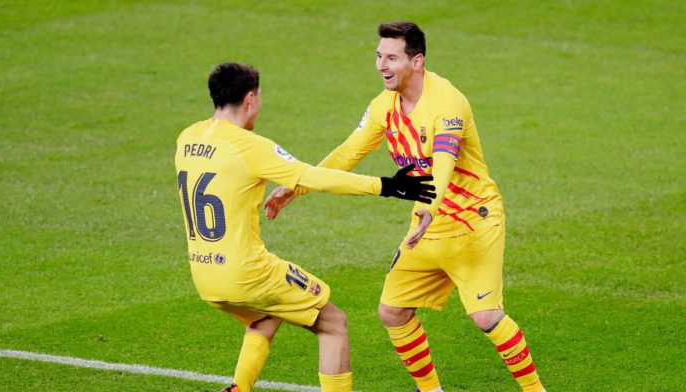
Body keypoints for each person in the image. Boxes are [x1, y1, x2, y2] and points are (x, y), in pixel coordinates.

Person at [264, 21, 545, 392]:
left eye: (392, 58)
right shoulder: (384, 106)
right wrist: (295, 186)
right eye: (379, 56)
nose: (382, 65)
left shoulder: (447, 103)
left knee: (485, 316)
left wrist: (430, 205)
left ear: (417, 61)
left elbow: (443, 160)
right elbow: (349, 152)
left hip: (472, 222)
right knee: (392, 311)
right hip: (425, 226)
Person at [174, 62, 435, 392]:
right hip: (248, 273)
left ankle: (238, 387)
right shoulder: (250, 146)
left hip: (204, 274)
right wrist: (384, 185)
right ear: (250, 98)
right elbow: (316, 178)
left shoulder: (187, 138)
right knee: (333, 324)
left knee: (264, 317)